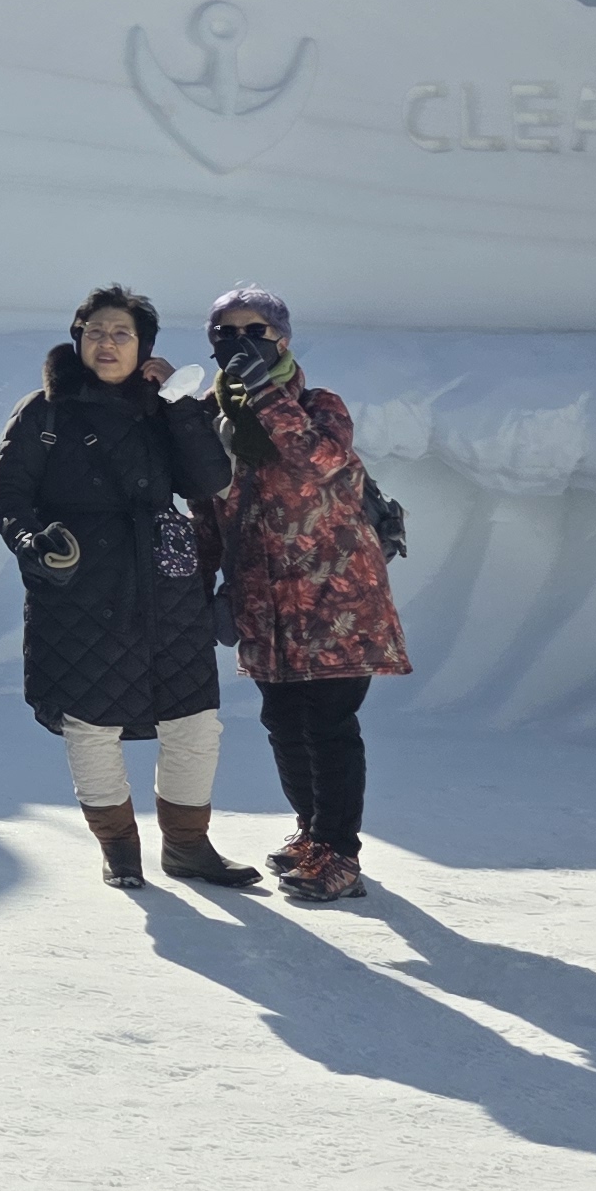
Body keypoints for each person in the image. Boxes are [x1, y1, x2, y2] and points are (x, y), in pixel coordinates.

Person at [0, 286, 253, 890]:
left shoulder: (162, 407)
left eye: (121, 334)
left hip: (168, 584)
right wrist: (32, 543)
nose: (107, 344)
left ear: (144, 347)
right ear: (78, 339)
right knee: (91, 724)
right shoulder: (43, 412)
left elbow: (209, 479)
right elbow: (5, 493)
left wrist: (180, 404)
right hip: (79, 584)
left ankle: (187, 847)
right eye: (96, 332)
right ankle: (120, 849)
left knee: (194, 721)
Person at [208, 285, 411, 904]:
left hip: (337, 597)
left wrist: (264, 393)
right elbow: (211, 508)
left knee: (329, 723)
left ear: (283, 340)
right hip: (264, 600)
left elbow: (321, 462)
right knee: (283, 721)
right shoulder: (215, 420)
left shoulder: (320, 406)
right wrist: (205, 585)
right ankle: (312, 832)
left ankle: (339, 852)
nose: (241, 345)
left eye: (256, 333)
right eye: (226, 333)